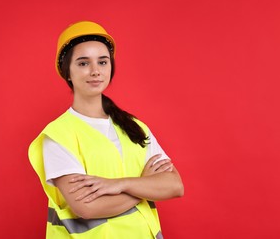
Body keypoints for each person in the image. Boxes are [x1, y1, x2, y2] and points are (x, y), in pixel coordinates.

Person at [28, 21, 184, 238]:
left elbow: (175, 186)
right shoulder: (58, 135)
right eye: (83, 63)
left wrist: (119, 185)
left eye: (103, 62)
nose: (95, 71)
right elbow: (86, 207)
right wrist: (144, 187)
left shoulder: (134, 127)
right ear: (68, 73)